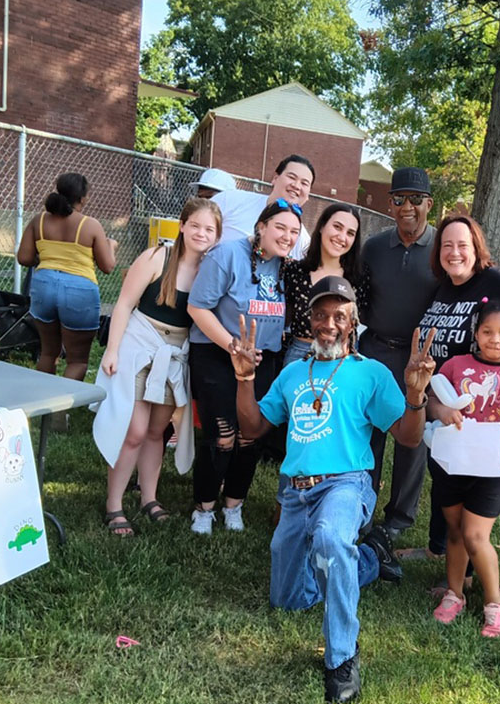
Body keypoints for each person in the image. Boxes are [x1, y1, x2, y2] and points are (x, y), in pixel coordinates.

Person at [229, 277, 437, 704]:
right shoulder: (292, 374)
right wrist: (245, 378)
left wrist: (415, 395)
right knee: (290, 600)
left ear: (353, 322)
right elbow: (251, 428)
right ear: (310, 320)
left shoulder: (370, 373)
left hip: (347, 485)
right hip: (294, 493)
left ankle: (341, 657)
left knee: (328, 538)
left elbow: (409, 438)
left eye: (339, 315)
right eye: (321, 315)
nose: (329, 323)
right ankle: (367, 561)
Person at [92, 199, 221, 536]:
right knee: (133, 431)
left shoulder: (211, 270)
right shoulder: (156, 257)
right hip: (139, 347)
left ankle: (148, 497)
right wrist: (113, 350)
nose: (201, 233)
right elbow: (123, 303)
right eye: (195, 225)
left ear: (217, 236)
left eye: (209, 229)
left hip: (175, 355)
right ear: (182, 225)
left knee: (155, 433)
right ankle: (114, 504)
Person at [186, 199, 302, 535]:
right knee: (222, 436)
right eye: (280, 227)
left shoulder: (287, 267)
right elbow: (198, 307)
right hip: (218, 354)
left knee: (250, 436)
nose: (287, 236)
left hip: (262, 360)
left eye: (294, 232)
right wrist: (234, 346)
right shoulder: (227, 255)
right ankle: (204, 507)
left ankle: (234, 504)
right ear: (261, 226)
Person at [429, 299, 500, 636]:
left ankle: (496, 601)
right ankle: (455, 593)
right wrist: (441, 412)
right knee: (454, 532)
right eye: (487, 332)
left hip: (492, 468)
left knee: (476, 535)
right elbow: (434, 398)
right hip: (453, 462)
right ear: (476, 333)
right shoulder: (455, 364)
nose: (495, 339)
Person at [413, 215, 500, 559]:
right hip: (438, 402)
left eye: (463, 245)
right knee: (442, 476)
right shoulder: (440, 287)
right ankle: (437, 549)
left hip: (477, 417)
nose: (454, 252)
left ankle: (467, 570)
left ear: (477, 249)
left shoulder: (497, 281)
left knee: (466, 489)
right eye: (446, 245)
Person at [359, 167, 440, 543]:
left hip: (418, 360)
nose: (406, 207)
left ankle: (398, 520)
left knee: (413, 439)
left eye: (414, 199)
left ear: (429, 203)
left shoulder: (443, 248)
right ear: (390, 205)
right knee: (368, 434)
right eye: (398, 199)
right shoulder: (373, 247)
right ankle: (361, 506)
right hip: (374, 350)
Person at [17, 172, 117, 380]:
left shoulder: (39, 220)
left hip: (44, 284)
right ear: (82, 198)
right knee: (78, 360)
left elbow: (24, 257)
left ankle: (42, 406)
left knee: (48, 352)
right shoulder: (90, 225)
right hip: (78, 290)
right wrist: (111, 246)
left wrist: (48, 261)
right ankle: (61, 412)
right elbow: (107, 266)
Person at [282, 203, 365, 366]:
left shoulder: (358, 278)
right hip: (300, 356)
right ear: (321, 227)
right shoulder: (294, 271)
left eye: (350, 233)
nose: (342, 237)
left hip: (342, 358)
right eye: (337, 227)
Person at [212, 154, 312, 260]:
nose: (296, 186)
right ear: (275, 178)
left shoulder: (303, 242)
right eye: (291, 177)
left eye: (304, 183)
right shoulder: (230, 200)